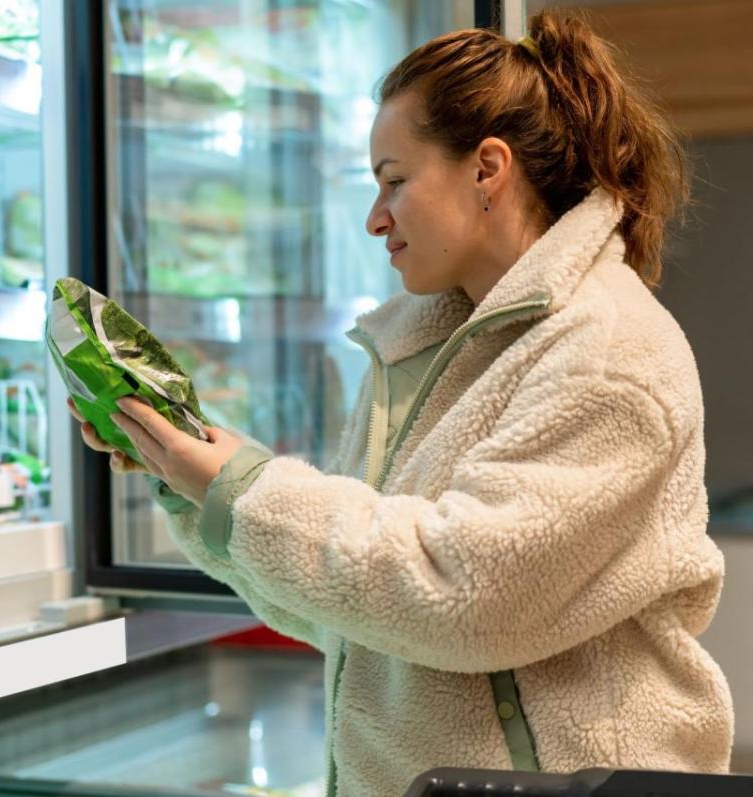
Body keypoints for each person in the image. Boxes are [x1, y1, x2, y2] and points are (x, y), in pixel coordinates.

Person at [69, 9, 733, 796]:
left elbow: (463, 596)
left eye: (394, 181)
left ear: (488, 168)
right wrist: (192, 480)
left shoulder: (608, 352)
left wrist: (239, 483)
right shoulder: (428, 353)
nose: (374, 218)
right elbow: (357, 607)